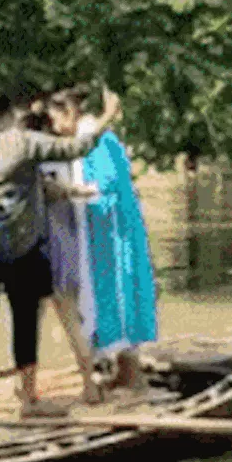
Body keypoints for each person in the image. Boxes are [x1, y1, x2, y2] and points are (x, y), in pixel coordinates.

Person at [0, 85, 121, 418]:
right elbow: (76, 147)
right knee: (25, 321)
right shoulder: (24, 141)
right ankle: (29, 401)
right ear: (8, 114)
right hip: (22, 245)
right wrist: (106, 117)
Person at [46, 86, 157, 393]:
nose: (54, 127)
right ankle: (125, 370)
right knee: (114, 294)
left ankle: (132, 375)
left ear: (70, 112)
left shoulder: (95, 139)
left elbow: (105, 187)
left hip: (108, 231)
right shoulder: (95, 136)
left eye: (56, 118)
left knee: (114, 293)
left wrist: (71, 193)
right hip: (106, 228)